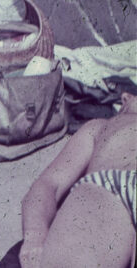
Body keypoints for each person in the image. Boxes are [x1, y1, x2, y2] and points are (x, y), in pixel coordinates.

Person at [19, 92, 137, 268]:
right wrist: (35, 235)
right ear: (127, 98)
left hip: (111, 187)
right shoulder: (101, 126)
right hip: (115, 184)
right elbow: (49, 184)